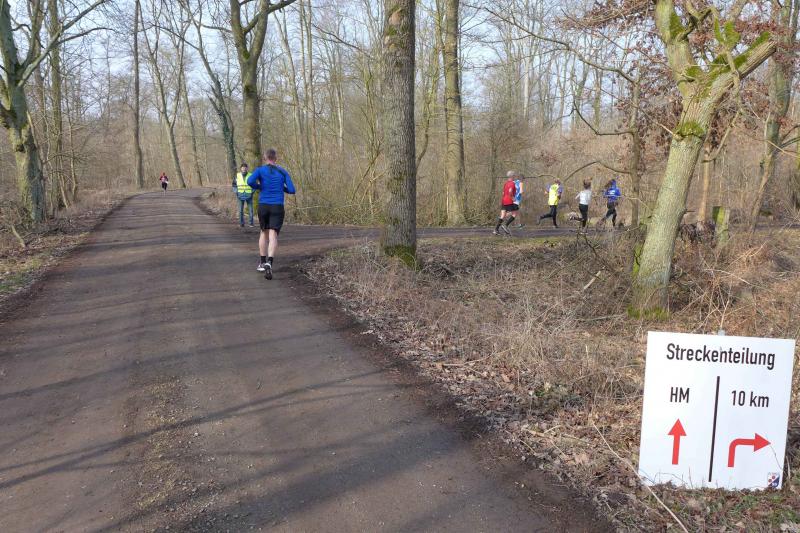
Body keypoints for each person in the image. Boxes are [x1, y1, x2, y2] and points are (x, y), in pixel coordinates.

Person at [246, 148, 296, 279]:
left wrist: (259, 186)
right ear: (276, 158)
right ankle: (270, 262)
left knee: (263, 233)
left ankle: (262, 263)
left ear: (265, 158)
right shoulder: (283, 171)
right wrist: (282, 188)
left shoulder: (260, 170)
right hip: (277, 206)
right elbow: (292, 190)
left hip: (263, 205)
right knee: (273, 235)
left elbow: (249, 181)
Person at [493, 171, 521, 235]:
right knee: (514, 213)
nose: (515, 177)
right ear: (512, 176)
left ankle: (496, 230)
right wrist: (513, 198)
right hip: (509, 201)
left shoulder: (505, 183)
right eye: (514, 176)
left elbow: (503, 193)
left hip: (503, 200)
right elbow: (510, 191)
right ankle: (505, 225)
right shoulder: (512, 183)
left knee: (503, 215)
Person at [234, 162, 255, 227]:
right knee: (240, 211)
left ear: (247, 168)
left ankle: (251, 223)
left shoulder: (251, 175)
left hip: (249, 195)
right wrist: (236, 192)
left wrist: (252, 192)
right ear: (241, 169)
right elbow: (234, 185)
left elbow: (254, 185)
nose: (244, 169)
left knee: (251, 210)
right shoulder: (237, 175)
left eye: (245, 168)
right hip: (240, 195)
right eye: (243, 168)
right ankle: (241, 223)